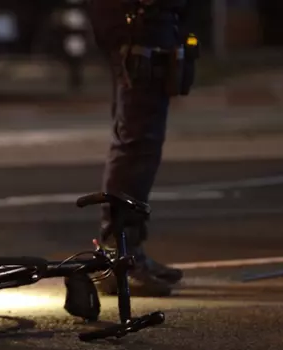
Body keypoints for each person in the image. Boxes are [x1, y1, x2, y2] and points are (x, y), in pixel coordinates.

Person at [87, 0, 195, 296]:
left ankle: (129, 251)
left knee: (142, 141)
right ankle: (118, 256)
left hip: (149, 22)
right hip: (136, 23)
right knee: (136, 141)